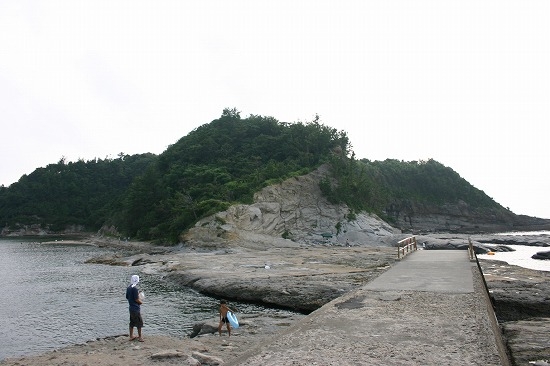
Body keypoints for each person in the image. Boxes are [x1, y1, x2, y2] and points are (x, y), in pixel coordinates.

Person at [126, 274, 144, 342]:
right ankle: (140, 337)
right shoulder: (135, 288)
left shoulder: (129, 287)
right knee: (139, 323)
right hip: (135, 308)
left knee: (132, 322)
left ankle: (131, 336)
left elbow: (127, 297)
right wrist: (141, 302)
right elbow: (136, 299)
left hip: (131, 307)